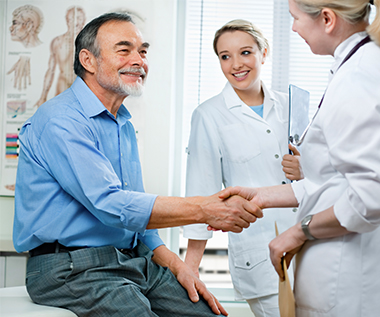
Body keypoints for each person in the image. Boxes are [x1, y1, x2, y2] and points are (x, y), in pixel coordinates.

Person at [13, 12, 263, 317]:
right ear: (88, 60)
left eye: (142, 51)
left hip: (130, 259)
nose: (139, 60)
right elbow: (110, 204)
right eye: (124, 50)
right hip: (68, 267)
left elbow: (136, 216)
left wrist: (177, 265)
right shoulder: (60, 120)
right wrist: (204, 209)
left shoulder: (122, 125)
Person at [220, 0, 380, 316]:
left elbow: (372, 196)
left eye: (295, 18)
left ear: (327, 19)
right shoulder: (379, 64)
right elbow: (336, 183)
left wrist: (299, 231)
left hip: (354, 278)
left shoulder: (359, 76)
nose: (294, 28)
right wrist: (262, 196)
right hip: (373, 270)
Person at [183, 19, 302, 317]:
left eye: (245, 52)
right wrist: (190, 267)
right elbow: (202, 193)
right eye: (225, 56)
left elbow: (326, 176)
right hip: (260, 258)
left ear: (264, 53)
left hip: (310, 247)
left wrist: (304, 168)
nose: (236, 64)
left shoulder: (293, 106)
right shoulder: (208, 116)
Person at [34, 6, 86, 107]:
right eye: (71, 19)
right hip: (62, 84)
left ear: (84, 20)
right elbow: (51, 70)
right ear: (67, 21)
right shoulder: (57, 42)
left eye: (79, 18)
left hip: (83, 85)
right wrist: (43, 97)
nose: (76, 23)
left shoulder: (90, 44)